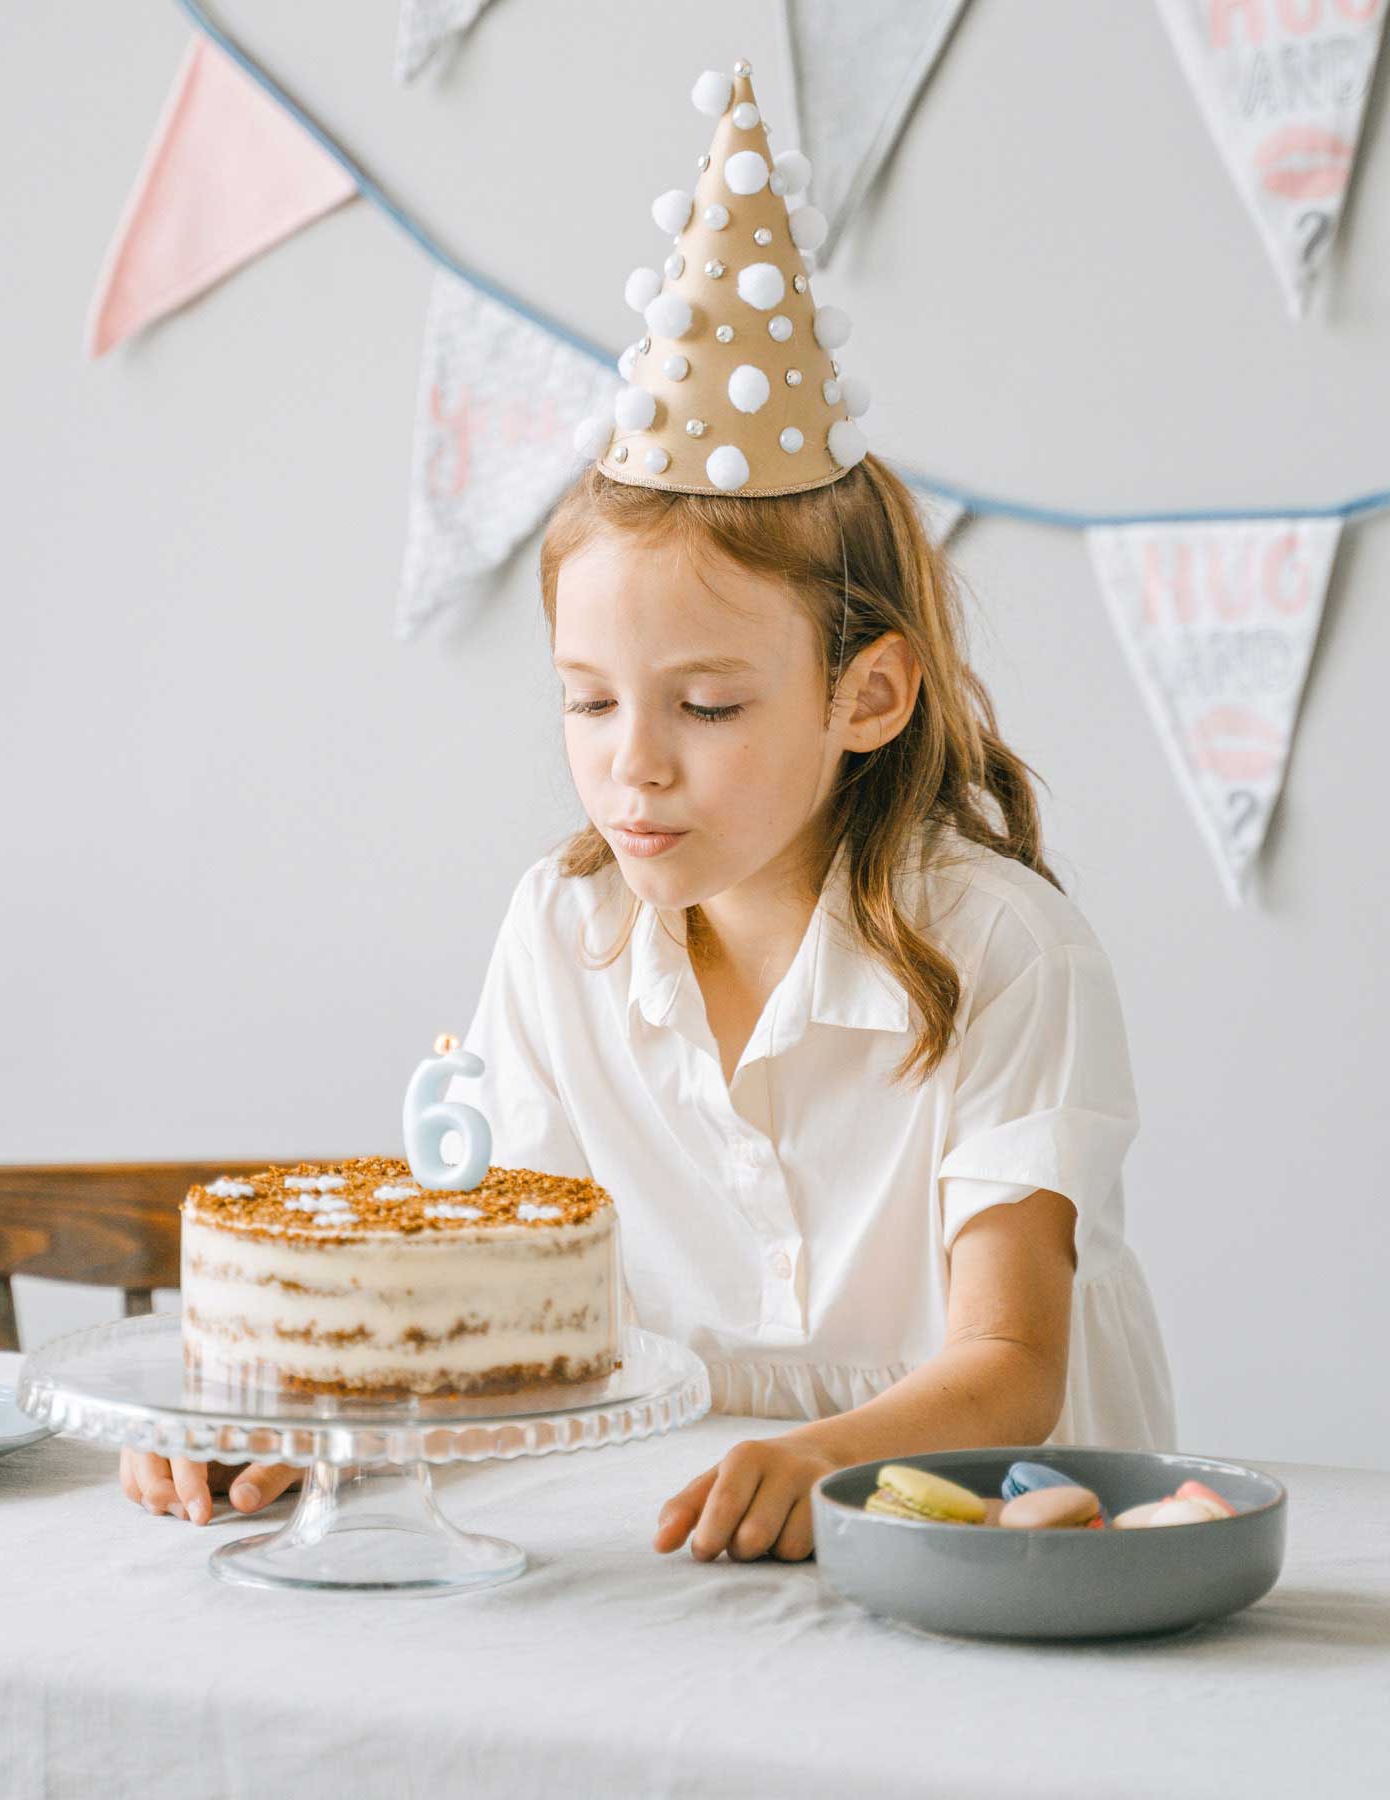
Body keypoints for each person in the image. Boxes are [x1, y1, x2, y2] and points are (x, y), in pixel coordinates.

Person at [121, 58, 1175, 1557]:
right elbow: (498, 1308)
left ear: (866, 698)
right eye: (589, 699)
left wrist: (811, 1454)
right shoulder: (565, 934)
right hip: (684, 1540)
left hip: (1006, 1547)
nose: (636, 764)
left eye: (710, 704)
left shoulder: (1004, 949)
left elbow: (1011, 1368)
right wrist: (301, 1435)